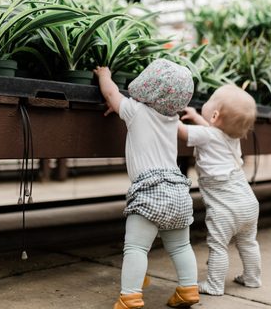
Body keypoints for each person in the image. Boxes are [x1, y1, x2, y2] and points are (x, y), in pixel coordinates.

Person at [94, 59, 200, 309]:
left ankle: (130, 296)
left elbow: (110, 92)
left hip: (150, 193)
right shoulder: (173, 119)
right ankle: (188, 288)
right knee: (181, 246)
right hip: (177, 191)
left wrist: (103, 75)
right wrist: (121, 108)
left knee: (136, 247)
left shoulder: (135, 110)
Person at [177, 84, 261, 296]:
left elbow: (183, 132)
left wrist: (163, 115)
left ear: (214, 115)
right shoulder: (233, 139)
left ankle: (214, 285)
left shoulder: (206, 136)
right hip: (248, 204)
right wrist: (196, 116)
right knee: (248, 243)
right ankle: (252, 278)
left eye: (209, 101)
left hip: (225, 209)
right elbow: (212, 131)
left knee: (218, 246)